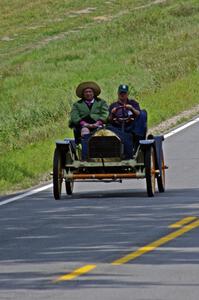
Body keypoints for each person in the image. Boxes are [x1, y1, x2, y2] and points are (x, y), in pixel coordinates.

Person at [69, 81, 109, 159]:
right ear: (83, 94)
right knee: (85, 133)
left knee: (101, 133)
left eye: (90, 92)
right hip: (82, 125)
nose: (88, 94)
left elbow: (105, 113)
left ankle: (103, 155)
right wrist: (84, 124)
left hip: (98, 124)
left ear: (93, 93)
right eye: (86, 92)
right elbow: (74, 116)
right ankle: (85, 156)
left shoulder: (101, 102)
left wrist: (98, 122)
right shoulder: (77, 104)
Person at [108, 84, 147, 159]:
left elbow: (138, 114)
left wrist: (131, 108)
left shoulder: (133, 103)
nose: (122, 95)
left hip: (131, 126)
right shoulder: (113, 105)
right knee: (108, 128)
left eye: (124, 93)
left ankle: (136, 144)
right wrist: (113, 113)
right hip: (117, 126)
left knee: (143, 113)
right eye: (121, 93)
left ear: (127, 94)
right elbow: (109, 119)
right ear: (118, 94)